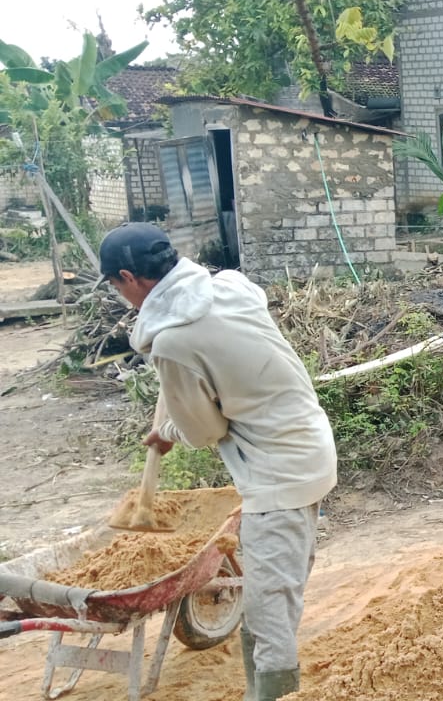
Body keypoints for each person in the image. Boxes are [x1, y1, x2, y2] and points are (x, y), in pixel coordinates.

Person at [103, 223, 336, 701]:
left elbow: (204, 431)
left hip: (279, 474)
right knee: (270, 596)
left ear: (129, 277)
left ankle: (271, 693)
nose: (116, 292)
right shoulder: (229, 286)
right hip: (306, 444)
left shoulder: (172, 344)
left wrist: (168, 431)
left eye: (114, 283)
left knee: (270, 611)